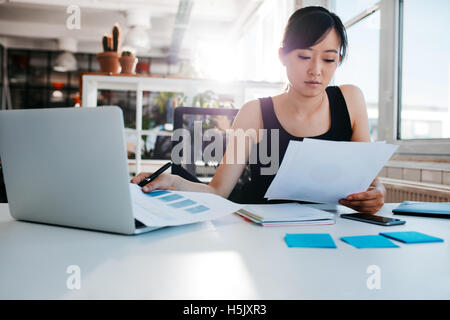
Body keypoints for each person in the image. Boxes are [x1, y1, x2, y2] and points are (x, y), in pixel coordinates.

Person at [131, 6, 386, 214]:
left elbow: (368, 181)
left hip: (330, 230)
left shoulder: (350, 99)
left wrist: (378, 194)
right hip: (261, 227)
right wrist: (175, 182)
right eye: (304, 57)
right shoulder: (254, 112)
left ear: (338, 60)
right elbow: (219, 190)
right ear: (282, 56)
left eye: (329, 59)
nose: (317, 70)